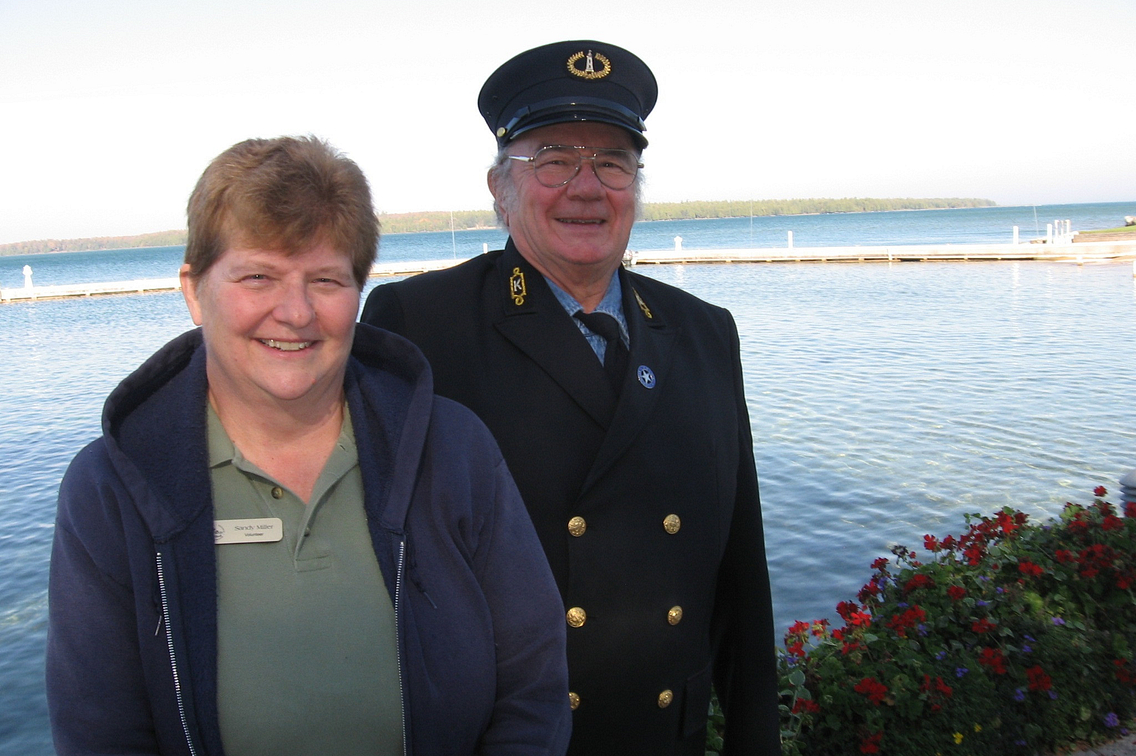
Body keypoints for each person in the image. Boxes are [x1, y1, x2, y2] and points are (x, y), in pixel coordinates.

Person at [46, 136, 571, 756]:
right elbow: (100, 732)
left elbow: (533, 685)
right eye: (258, 275)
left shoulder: (452, 451)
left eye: (325, 279)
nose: (295, 312)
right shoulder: (113, 490)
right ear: (193, 290)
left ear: (358, 294)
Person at [361, 41, 780, 755]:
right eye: (554, 160)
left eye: (613, 162)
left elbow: (742, 574)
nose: (587, 188)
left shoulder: (705, 332)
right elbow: (382, 579)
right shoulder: (419, 325)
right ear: (501, 187)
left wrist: (754, 741)